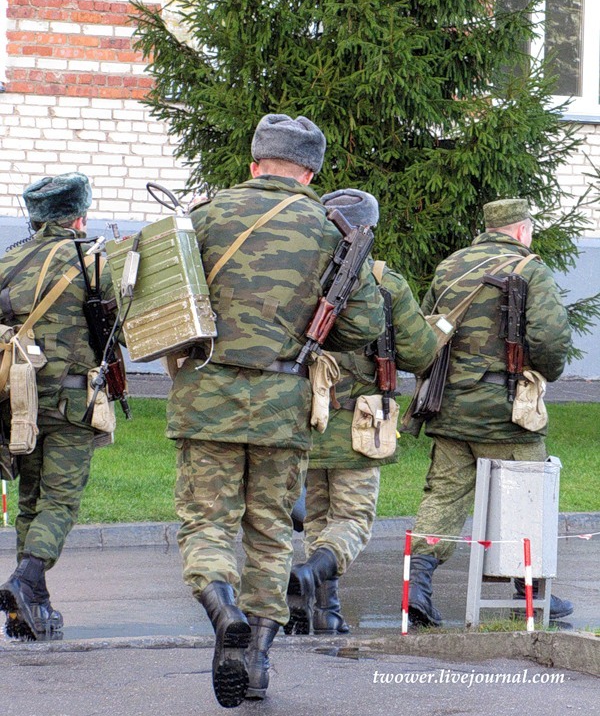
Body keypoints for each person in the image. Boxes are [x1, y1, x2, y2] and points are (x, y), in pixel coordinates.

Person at [166, 115, 385, 708]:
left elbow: (151, 301)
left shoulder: (203, 217)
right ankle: (256, 661)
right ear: (311, 172)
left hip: (206, 401)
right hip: (284, 408)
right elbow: (364, 326)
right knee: (269, 534)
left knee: (207, 523)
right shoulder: (332, 230)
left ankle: (221, 608)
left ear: (255, 162)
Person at [407, 198, 573, 627]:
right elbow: (551, 340)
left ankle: (418, 584)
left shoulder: (449, 267)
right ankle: (530, 591)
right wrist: (545, 373)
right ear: (522, 230)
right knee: (527, 494)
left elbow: (425, 335)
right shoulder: (531, 269)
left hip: (449, 407)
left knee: (443, 495)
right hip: (507, 413)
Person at [285, 189, 438, 635]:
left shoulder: (303, 275)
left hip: (308, 418)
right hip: (362, 425)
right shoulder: (385, 283)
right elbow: (420, 352)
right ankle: (314, 578)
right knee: (352, 520)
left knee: (316, 516)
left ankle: (324, 610)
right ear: (366, 230)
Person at [0, 172, 114, 641]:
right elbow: (119, 329)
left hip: (17, 400)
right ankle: (26, 581)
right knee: (60, 501)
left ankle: (27, 610)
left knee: (29, 501)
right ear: (79, 215)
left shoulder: (8, 259)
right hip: (70, 400)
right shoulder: (93, 261)